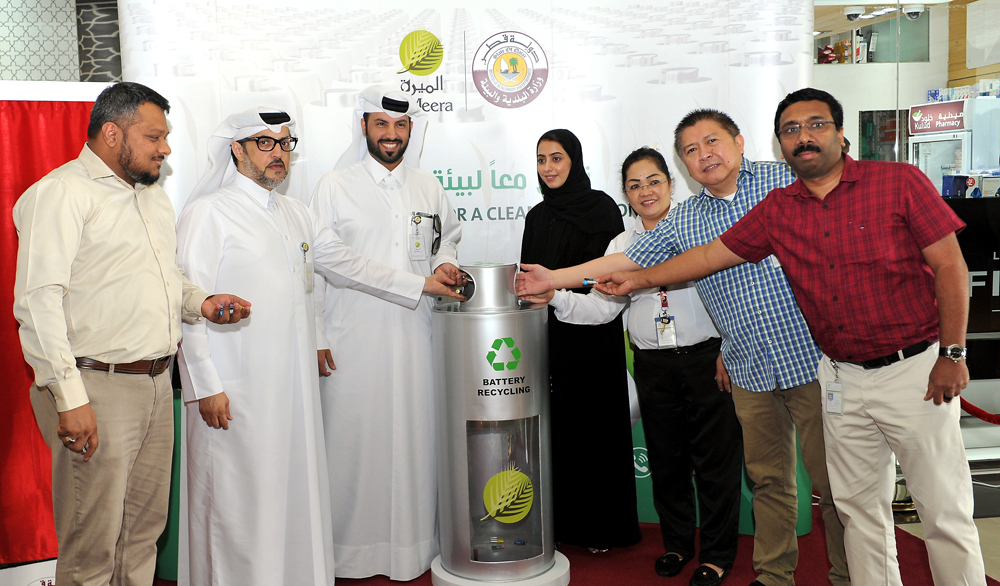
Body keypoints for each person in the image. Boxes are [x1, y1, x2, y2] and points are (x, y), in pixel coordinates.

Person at [591, 89, 987, 586]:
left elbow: (950, 266)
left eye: (815, 125)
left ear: (839, 132)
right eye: (791, 130)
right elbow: (705, 260)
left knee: (934, 508)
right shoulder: (768, 208)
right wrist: (589, 280)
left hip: (882, 367)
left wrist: (953, 352)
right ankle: (780, 576)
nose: (804, 137)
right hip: (818, 372)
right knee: (840, 503)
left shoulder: (881, 182)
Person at [517, 111, 849, 586]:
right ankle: (763, 572)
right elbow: (618, 273)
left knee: (828, 481)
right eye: (692, 150)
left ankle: (839, 574)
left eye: (711, 143)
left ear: (737, 142)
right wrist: (553, 284)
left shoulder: (775, 185)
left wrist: (722, 347)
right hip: (704, 367)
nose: (704, 155)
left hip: (775, 359)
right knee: (748, 476)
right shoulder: (673, 227)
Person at [176, 107, 463, 586]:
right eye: (264, 143)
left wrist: (421, 284)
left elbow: (348, 265)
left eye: (284, 144)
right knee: (236, 504)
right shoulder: (208, 212)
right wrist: (204, 385)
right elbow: (187, 301)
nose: (277, 154)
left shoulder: (296, 213)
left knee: (288, 497)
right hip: (235, 392)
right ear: (237, 150)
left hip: (291, 390)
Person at [12, 81, 251, 586]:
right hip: (94, 385)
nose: (166, 149)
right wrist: (70, 397)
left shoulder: (153, 198)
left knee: (142, 534)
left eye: (165, 137)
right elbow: (38, 302)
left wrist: (201, 302)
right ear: (112, 133)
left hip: (157, 384)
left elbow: (165, 277)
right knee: (92, 547)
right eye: (154, 137)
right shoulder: (62, 193)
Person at [524, 147, 741, 585]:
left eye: (654, 181)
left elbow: (733, 292)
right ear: (626, 194)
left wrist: (729, 349)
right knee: (667, 461)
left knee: (715, 465)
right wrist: (556, 296)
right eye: (635, 185)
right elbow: (600, 309)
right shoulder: (620, 247)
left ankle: (717, 555)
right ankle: (677, 545)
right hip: (652, 366)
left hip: (705, 360)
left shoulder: (698, 229)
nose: (646, 192)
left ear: (671, 183)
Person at [308, 85, 463, 580]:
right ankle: (351, 552)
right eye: (381, 124)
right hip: (352, 336)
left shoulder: (428, 186)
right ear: (364, 127)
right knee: (353, 443)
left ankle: (413, 549)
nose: (391, 134)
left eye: (400, 125)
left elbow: (447, 239)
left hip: (417, 335)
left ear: (410, 130)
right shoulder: (335, 185)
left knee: (415, 442)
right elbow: (322, 262)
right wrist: (317, 333)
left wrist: (444, 265)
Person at [520, 129, 641, 551]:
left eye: (556, 158)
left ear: (574, 160)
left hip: (593, 336)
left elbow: (604, 277)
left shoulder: (601, 209)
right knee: (559, 432)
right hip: (550, 338)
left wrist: (559, 291)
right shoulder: (537, 216)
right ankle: (562, 527)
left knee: (596, 431)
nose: (548, 167)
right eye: (541, 159)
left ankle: (602, 529)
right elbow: (529, 279)